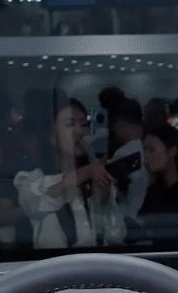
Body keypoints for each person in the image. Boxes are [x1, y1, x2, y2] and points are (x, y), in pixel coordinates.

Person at [13, 98, 122, 248]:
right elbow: (38, 200)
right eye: (70, 124)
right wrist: (86, 172)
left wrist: (104, 198)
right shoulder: (30, 178)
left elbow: (116, 236)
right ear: (51, 133)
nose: (80, 132)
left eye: (84, 124)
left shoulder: (93, 175)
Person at [102, 97, 147, 220]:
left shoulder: (123, 153)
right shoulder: (147, 147)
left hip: (127, 214)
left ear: (122, 122)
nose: (114, 128)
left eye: (115, 123)